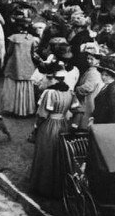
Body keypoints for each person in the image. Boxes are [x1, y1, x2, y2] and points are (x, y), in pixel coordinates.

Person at [29, 66, 80, 198]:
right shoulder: (70, 92)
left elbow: (42, 115)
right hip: (63, 125)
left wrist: (35, 128)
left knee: (46, 154)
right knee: (60, 155)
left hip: (49, 126)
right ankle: (59, 187)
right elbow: (78, 111)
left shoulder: (49, 93)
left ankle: (43, 187)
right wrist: (73, 126)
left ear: (54, 79)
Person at [2, 17, 39, 117]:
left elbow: (9, 52)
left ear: (18, 26)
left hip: (15, 65)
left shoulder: (13, 38)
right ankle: (27, 109)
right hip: (28, 65)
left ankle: (14, 109)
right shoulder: (31, 38)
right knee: (26, 87)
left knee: (14, 87)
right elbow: (32, 53)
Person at [74, 44, 105, 129]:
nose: (89, 61)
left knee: (85, 121)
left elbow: (88, 87)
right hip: (87, 100)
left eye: (92, 59)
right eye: (88, 58)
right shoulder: (91, 70)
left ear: (98, 61)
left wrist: (76, 90)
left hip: (89, 101)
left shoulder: (94, 72)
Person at [92, 55, 115, 124]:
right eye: (102, 74)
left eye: (106, 75)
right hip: (102, 123)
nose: (103, 77)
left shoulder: (114, 88)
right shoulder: (107, 86)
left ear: (113, 76)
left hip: (109, 126)